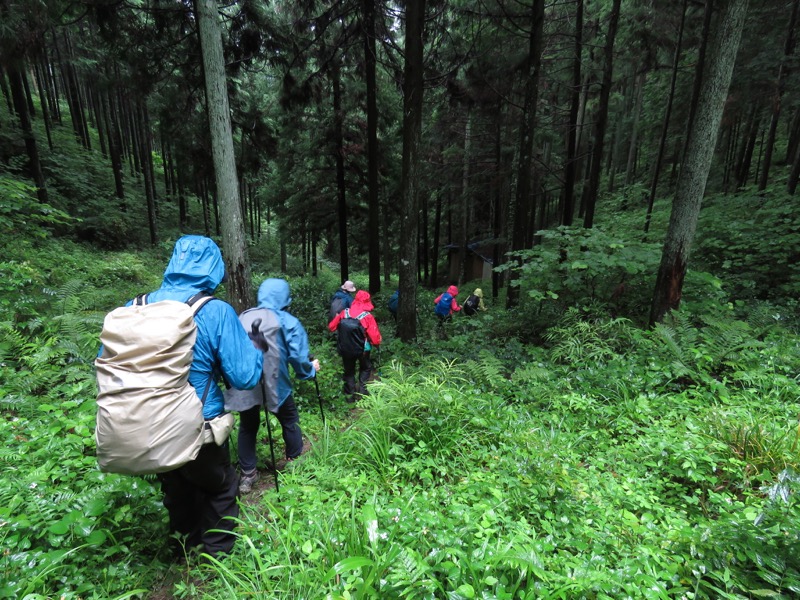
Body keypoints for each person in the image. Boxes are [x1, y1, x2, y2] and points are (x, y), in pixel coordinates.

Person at [125, 235, 263, 559]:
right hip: (197, 425)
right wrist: (252, 353)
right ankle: (217, 559)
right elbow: (244, 377)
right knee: (221, 485)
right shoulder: (214, 311)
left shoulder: (134, 307)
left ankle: (183, 546)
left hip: (146, 421)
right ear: (214, 269)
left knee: (175, 483)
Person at [225, 279, 320, 493]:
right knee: (290, 420)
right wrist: (309, 370)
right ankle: (295, 463)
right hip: (276, 382)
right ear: (285, 298)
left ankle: (248, 475)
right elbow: (297, 356)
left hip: (244, 381)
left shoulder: (243, 316)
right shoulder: (287, 320)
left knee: (248, 425)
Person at [328, 290, 382, 402]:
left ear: (355, 300)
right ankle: (363, 393)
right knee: (366, 368)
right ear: (367, 301)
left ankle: (350, 397)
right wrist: (377, 344)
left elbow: (331, 327)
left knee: (349, 371)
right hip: (363, 350)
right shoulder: (367, 316)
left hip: (346, 348)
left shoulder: (345, 312)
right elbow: (375, 337)